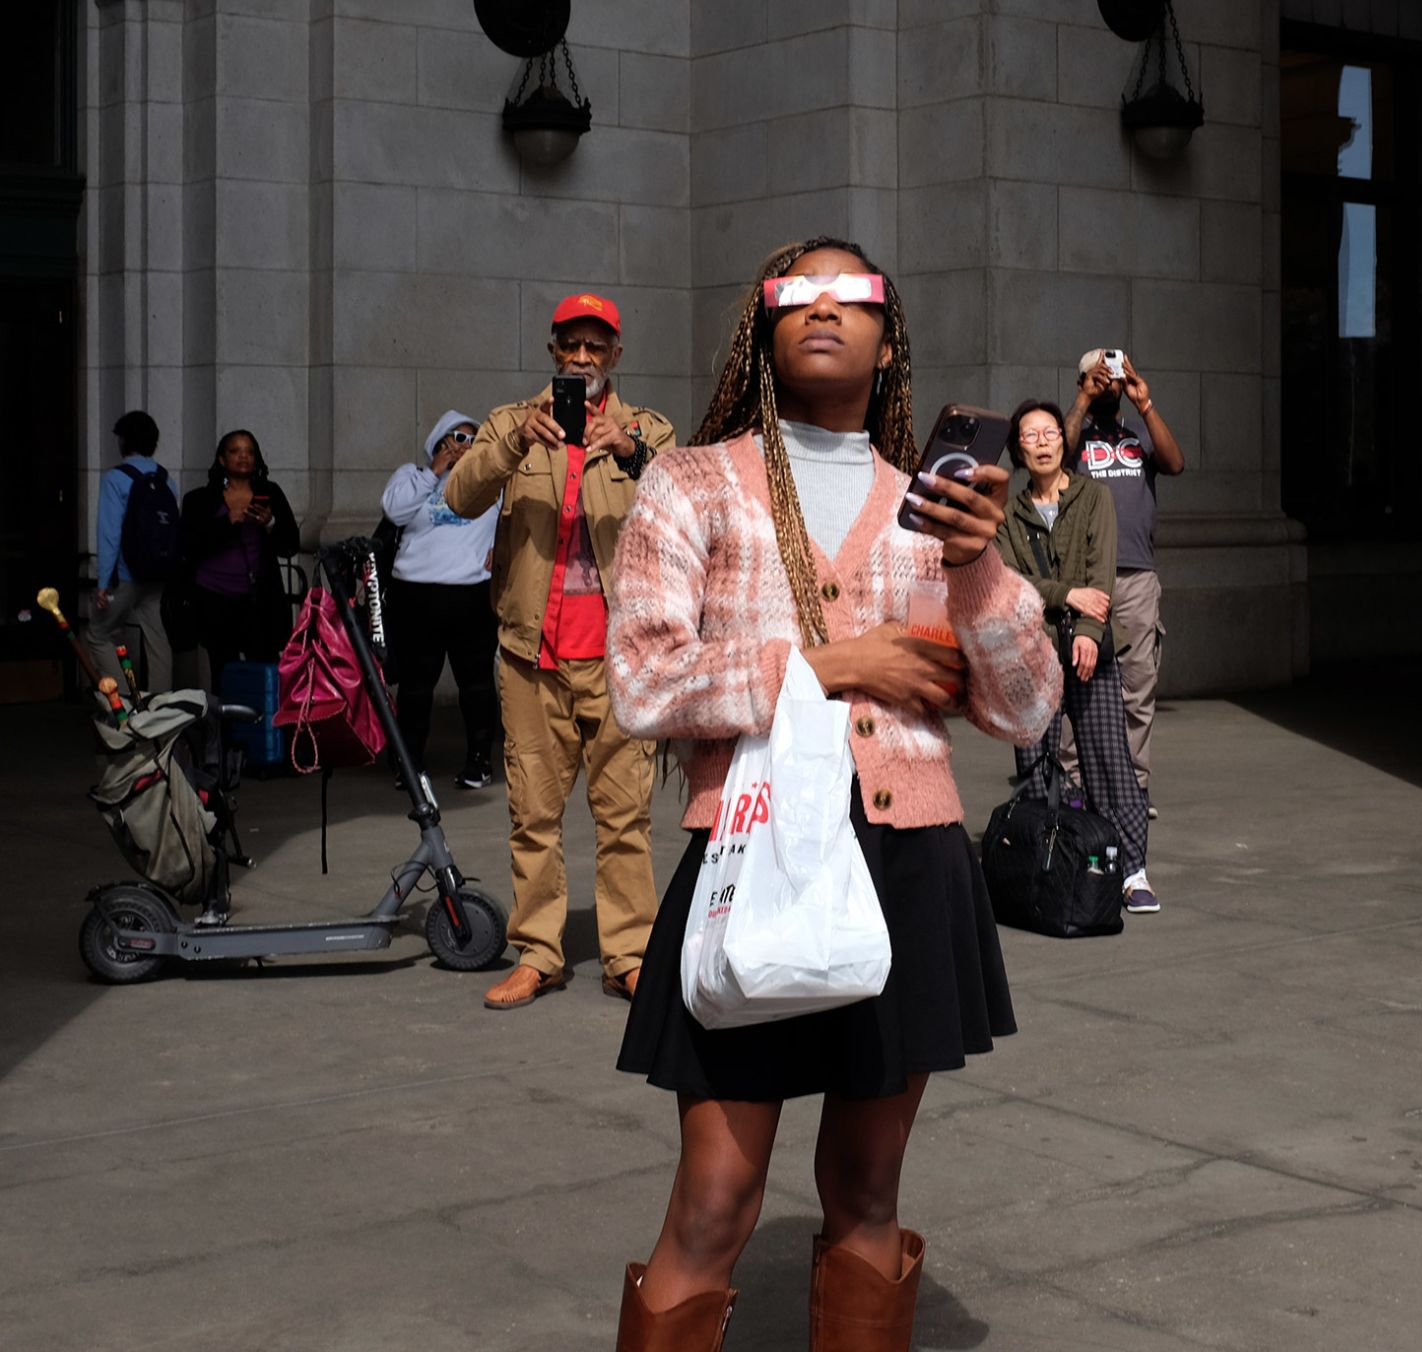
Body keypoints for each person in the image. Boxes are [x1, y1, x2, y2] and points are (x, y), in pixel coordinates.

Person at [602, 238, 1060, 1350]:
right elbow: (643, 680)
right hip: (751, 853)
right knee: (715, 1194)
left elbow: (1022, 705)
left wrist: (980, 570)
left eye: (849, 295)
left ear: (886, 335)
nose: (819, 308)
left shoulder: (932, 508)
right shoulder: (694, 481)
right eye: (790, 294)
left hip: (908, 859)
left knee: (865, 1189)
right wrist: (834, 665)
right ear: (761, 328)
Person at [445, 293, 676, 1012]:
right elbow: (457, 495)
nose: (583, 358)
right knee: (533, 815)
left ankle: (629, 955)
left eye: (596, 347)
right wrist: (517, 446)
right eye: (570, 346)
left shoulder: (649, 431)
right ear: (553, 351)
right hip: (530, 655)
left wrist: (630, 451)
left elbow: (692, 504)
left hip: (620, 659)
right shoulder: (513, 424)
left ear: (615, 356)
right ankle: (539, 954)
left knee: (624, 817)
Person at [996, 400, 1157, 912]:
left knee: (1110, 761)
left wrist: (1089, 628)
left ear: (1064, 443)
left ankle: (1131, 870)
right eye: (1030, 435)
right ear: (1018, 451)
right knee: (1037, 771)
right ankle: (1045, 866)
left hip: (1090, 651)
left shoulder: (1095, 496)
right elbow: (1010, 582)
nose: (1042, 441)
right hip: (1031, 654)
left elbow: (1101, 569)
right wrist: (1068, 596)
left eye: (1049, 432)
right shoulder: (1007, 515)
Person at [1064, 349, 1185, 820]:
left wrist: (1145, 404)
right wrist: (1081, 399)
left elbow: (1175, 463)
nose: (1109, 383)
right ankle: (1074, 785)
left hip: (1136, 575)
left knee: (1138, 686)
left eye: (1115, 375)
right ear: (1084, 381)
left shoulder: (1138, 432)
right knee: (1078, 683)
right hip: (1085, 576)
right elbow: (1054, 456)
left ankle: (1134, 787)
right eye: (1100, 377)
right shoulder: (1070, 433)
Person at [380, 411, 501, 789]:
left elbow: (520, 518)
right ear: (439, 441)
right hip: (416, 595)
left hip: (471, 594)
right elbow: (395, 511)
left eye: (473, 440)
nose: (465, 447)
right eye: (457, 439)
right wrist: (435, 470)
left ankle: (479, 761)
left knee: (476, 684)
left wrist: (503, 548)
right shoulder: (411, 476)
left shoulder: (493, 484)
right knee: (417, 686)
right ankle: (409, 762)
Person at [180, 430, 300, 693]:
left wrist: (269, 523)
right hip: (214, 598)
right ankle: (227, 731)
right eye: (235, 451)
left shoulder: (269, 493)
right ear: (222, 459)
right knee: (223, 672)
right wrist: (227, 523)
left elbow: (290, 545)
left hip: (258, 600)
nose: (243, 456)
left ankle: (264, 728)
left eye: (249, 451)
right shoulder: (200, 499)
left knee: (266, 669)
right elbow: (190, 546)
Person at [82, 410, 174, 697]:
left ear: (123, 441)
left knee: (98, 634)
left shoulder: (116, 479)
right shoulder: (164, 477)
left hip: (124, 574)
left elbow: (109, 534)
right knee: (158, 639)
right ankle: (160, 708)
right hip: (158, 573)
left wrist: (102, 583)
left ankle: (124, 698)